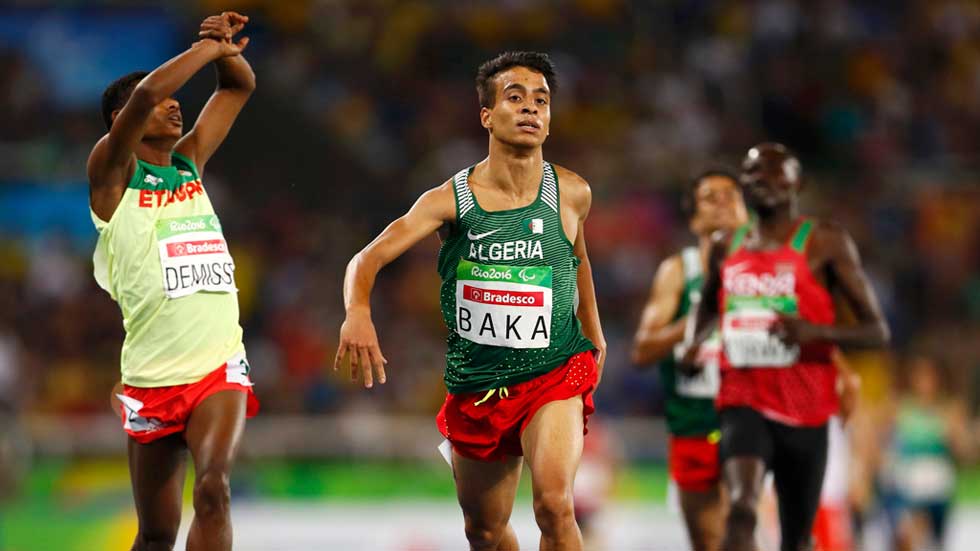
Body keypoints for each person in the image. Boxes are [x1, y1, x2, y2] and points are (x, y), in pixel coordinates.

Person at [335, 51, 606, 550]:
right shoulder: (448, 200)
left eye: (541, 100)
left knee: (554, 505)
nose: (531, 108)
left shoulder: (572, 192)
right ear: (486, 115)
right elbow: (366, 259)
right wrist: (358, 311)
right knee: (484, 531)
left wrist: (595, 331)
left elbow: (578, 257)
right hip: (479, 385)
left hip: (553, 371)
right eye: (515, 98)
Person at [88, 13, 258, 551]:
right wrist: (204, 47)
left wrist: (225, 49)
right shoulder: (112, 175)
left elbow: (239, 86)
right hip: (150, 375)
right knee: (157, 534)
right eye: (165, 102)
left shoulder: (188, 164)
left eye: (176, 101)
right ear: (121, 121)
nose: (174, 105)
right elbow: (145, 95)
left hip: (218, 364)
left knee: (213, 488)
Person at [684, 143, 890, 551]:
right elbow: (707, 307)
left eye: (776, 172)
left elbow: (876, 330)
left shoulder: (825, 242)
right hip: (743, 397)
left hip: (807, 407)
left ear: (798, 183)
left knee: (796, 539)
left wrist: (815, 332)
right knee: (741, 508)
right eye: (754, 173)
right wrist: (695, 343)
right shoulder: (727, 245)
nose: (764, 180)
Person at [632, 169, 749, 551]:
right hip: (693, 425)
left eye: (732, 195)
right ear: (694, 218)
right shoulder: (679, 271)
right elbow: (642, 349)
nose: (723, 203)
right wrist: (697, 319)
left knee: (742, 530)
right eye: (711, 197)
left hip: (749, 422)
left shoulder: (765, 270)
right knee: (708, 541)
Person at [881, 355, 974, 551]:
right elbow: (882, 443)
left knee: (936, 542)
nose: (924, 383)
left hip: (939, 485)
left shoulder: (949, 410)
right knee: (909, 534)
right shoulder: (900, 408)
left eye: (928, 377)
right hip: (910, 486)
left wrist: (954, 436)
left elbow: (964, 451)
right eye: (919, 376)